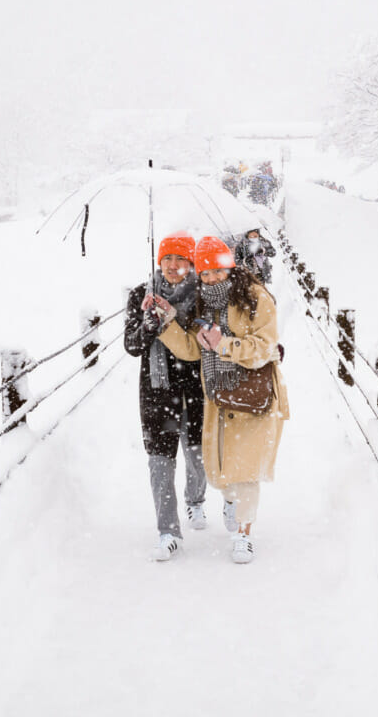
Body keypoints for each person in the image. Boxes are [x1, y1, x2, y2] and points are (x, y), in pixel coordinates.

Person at [144, 236, 289, 564]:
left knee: (246, 471)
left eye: (217, 270)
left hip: (253, 396)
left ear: (229, 266)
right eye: (205, 272)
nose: (210, 278)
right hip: (219, 398)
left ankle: (244, 534)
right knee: (219, 470)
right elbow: (193, 349)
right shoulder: (203, 301)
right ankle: (232, 504)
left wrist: (226, 345)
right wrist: (166, 321)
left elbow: (266, 347)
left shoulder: (255, 297)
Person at [123, 232, 206, 561]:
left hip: (195, 391)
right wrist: (148, 325)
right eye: (167, 259)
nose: (173, 266)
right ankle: (168, 531)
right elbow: (131, 346)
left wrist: (174, 316)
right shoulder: (140, 296)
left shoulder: (203, 294)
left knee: (198, 459)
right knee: (161, 463)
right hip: (158, 394)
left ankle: (196, 501)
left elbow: (206, 339)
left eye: (180, 259)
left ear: (191, 263)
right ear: (159, 261)